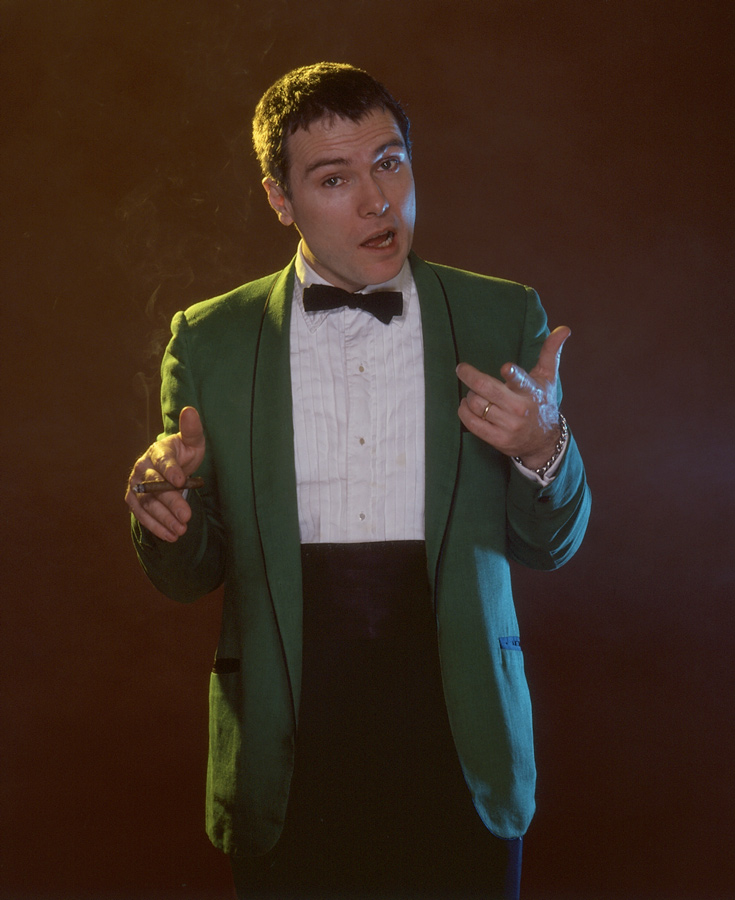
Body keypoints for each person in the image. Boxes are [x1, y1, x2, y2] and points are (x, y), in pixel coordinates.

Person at [126, 62, 591, 900]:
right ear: (279, 199)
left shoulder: (500, 316)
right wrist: (168, 515)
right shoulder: (208, 339)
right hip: (285, 741)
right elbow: (191, 573)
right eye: (334, 179)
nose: (378, 201)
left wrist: (543, 446)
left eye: (389, 162)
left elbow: (550, 545)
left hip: (460, 737)